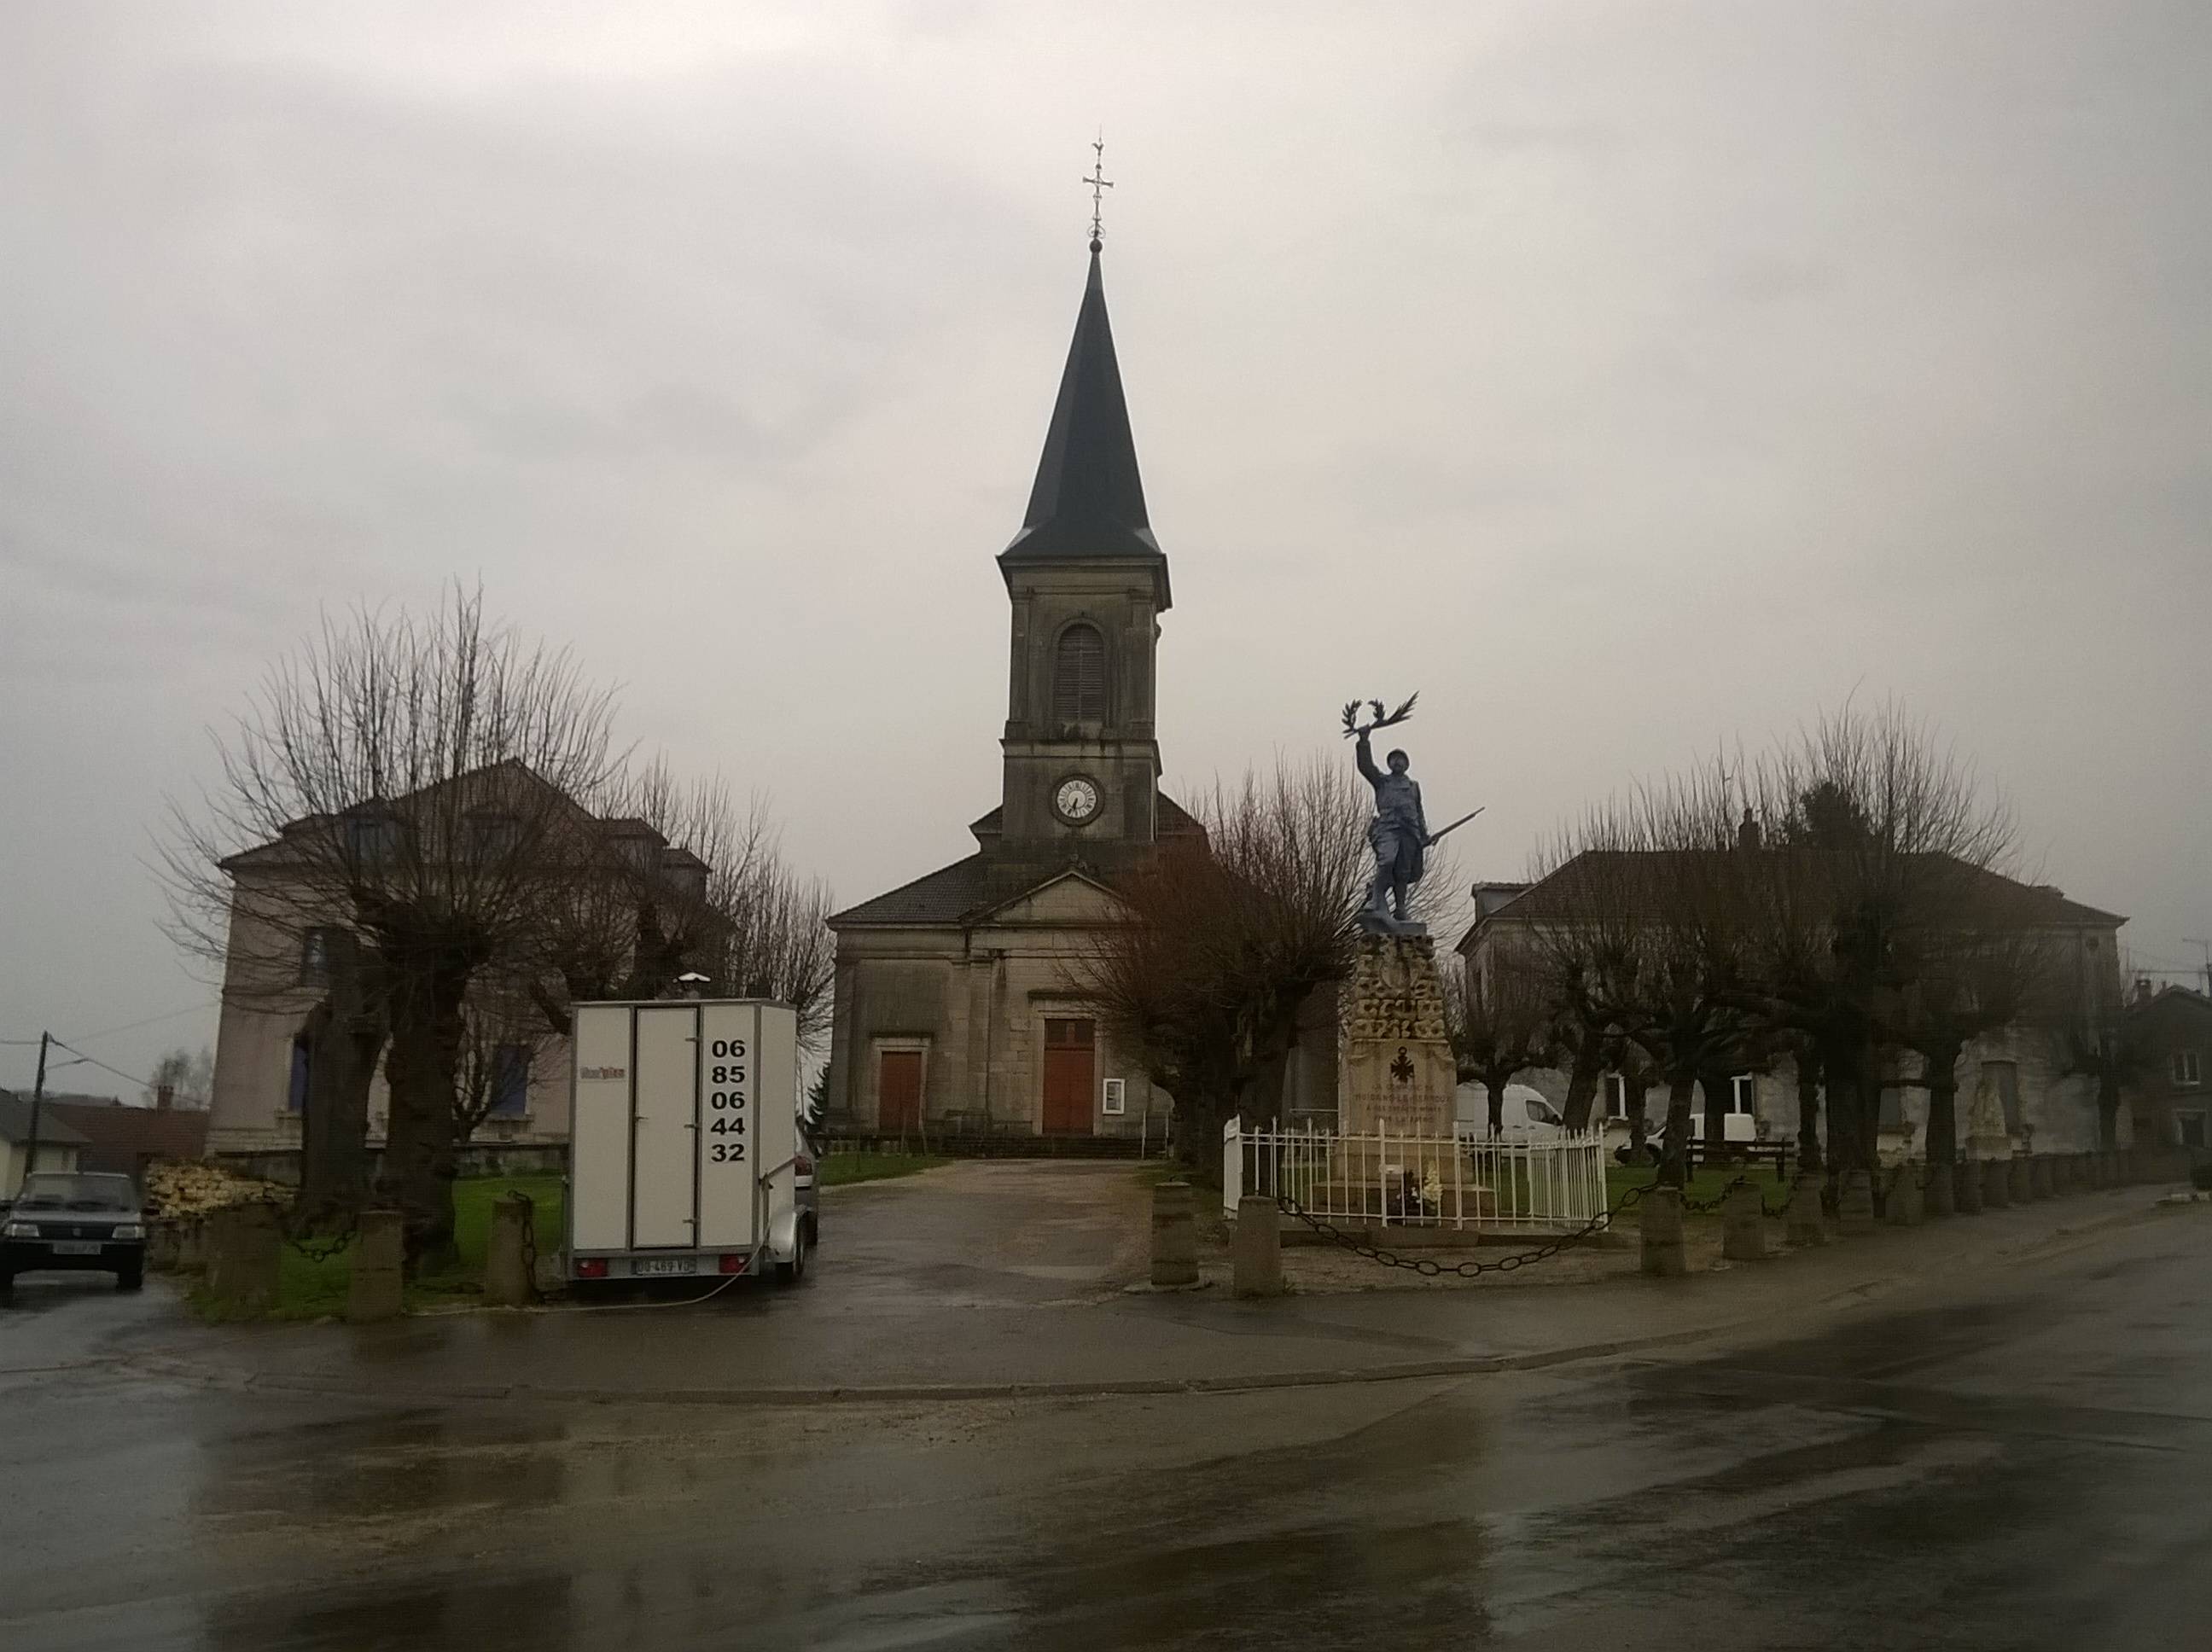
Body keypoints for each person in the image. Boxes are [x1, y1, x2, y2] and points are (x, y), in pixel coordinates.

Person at [1355, 728, 1429, 927]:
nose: (1397, 762)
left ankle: (1401, 909)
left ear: (1406, 764)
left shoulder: (1413, 786)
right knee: (1386, 861)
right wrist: (1364, 741)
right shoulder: (1382, 781)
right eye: (1393, 759)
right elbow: (1365, 766)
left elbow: (1418, 810)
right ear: (1389, 763)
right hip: (1388, 828)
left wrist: (1424, 834)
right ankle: (1376, 900)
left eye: (1401, 759)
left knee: (1403, 872)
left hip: (1410, 831)